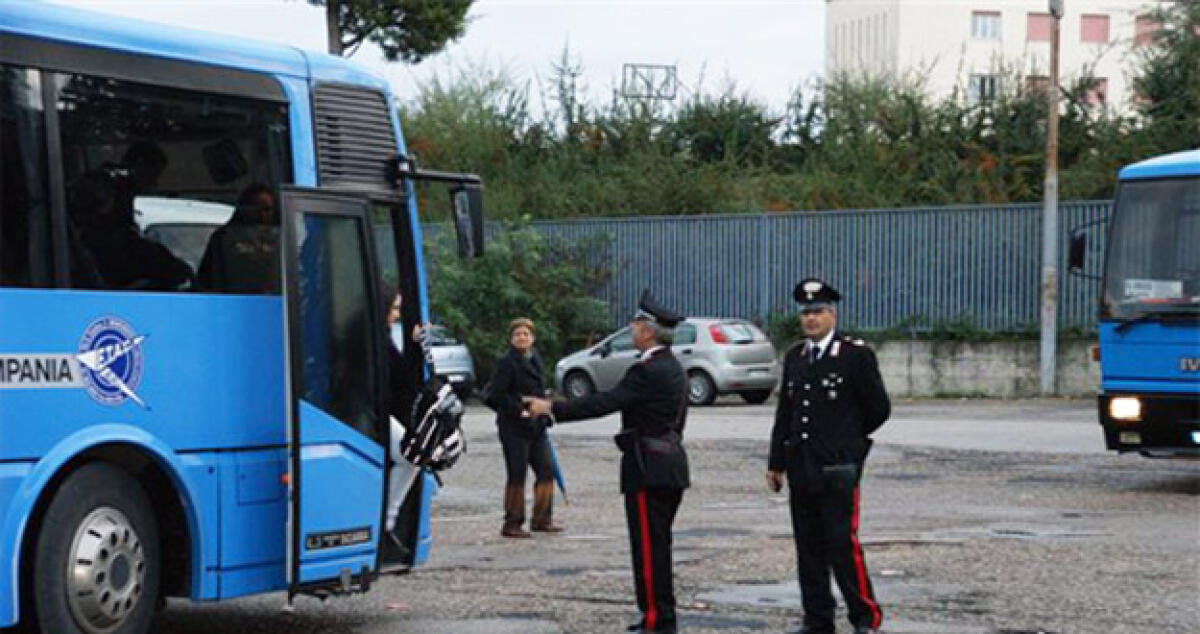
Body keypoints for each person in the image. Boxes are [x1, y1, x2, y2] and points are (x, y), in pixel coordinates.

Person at [525, 290, 688, 634]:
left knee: (648, 549)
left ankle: (659, 621)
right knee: (655, 546)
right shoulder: (672, 366)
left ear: (648, 330)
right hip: (669, 463)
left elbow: (605, 402)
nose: (631, 327)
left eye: (636, 323)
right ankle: (655, 616)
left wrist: (552, 407)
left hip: (648, 467)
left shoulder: (647, 371)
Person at [766, 278, 891, 634]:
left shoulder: (854, 355)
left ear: (832, 314)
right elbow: (786, 414)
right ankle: (817, 620)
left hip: (837, 467)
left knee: (842, 546)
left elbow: (878, 409)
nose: (811, 319)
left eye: (818, 311)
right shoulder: (795, 357)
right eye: (806, 312)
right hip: (802, 467)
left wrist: (849, 443)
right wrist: (776, 462)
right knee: (808, 550)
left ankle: (866, 618)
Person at [484, 317, 562, 538]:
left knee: (546, 470)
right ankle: (512, 522)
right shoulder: (506, 362)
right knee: (517, 475)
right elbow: (494, 396)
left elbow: (540, 390)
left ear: (533, 338)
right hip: (513, 427)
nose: (522, 338)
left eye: (526, 334)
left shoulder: (535, 357)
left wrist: (544, 413)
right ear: (511, 339)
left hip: (537, 426)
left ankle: (542, 518)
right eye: (518, 334)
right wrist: (519, 407)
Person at [195, 183, 280, 293]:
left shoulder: (282, 240)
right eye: (256, 208)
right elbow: (210, 279)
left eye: (267, 209)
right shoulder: (224, 238)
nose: (261, 215)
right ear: (243, 209)